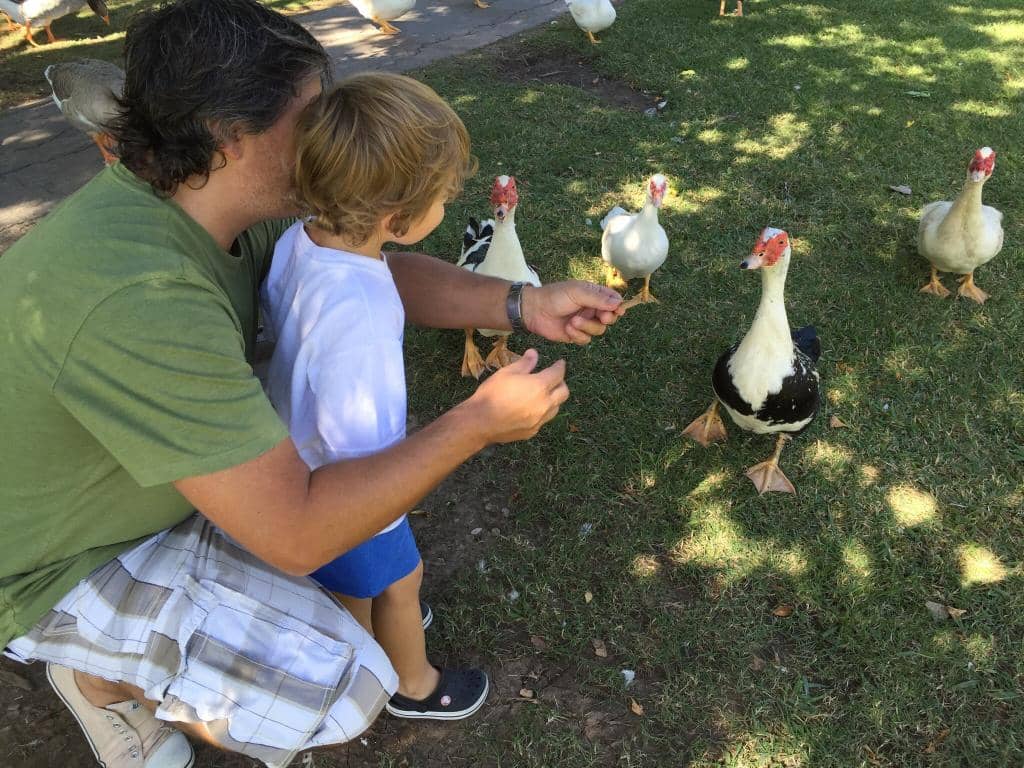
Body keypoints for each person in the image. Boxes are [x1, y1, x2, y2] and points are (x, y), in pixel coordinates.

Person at [0, 0, 624, 766]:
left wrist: (519, 303)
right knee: (347, 686)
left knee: (342, 598)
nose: (333, 128)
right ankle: (95, 675)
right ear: (234, 137)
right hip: (60, 558)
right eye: (314, 112)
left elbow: (369, 268)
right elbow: (299, 534)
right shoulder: (141, 298)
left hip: (162, 484)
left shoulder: (219, 197)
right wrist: (474, 423)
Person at [261, 72, 489, 720]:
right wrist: (387, 515)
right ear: (398, 220)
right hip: (350, 488)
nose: (447, 204)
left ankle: (352, 647)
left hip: (299, 458)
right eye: (443, 197)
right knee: (398, 578)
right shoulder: (360, 311)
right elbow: (364, 448)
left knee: (346, 582)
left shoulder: (300, 239)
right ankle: (410, 685)